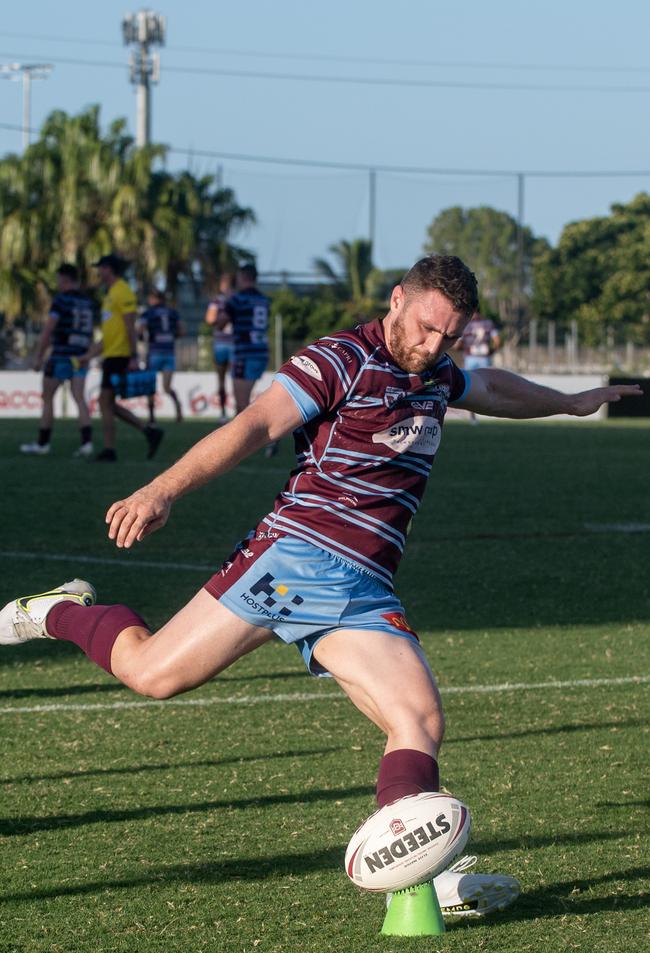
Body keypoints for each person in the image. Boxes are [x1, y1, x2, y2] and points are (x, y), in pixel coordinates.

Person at [0, 255, 641, 917]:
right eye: (425, 328)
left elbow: (492, 389)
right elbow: (255, 426)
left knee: (416, 720)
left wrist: (571, 401)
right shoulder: (341, 359)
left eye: (450, 336)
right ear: (397, 300)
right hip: (292, 561)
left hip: (365, 587)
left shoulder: (435, 371)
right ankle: (60, 613)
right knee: (151, 673)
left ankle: (420, 880)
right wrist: (161, 490)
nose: (433, 346)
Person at [79, 254, 163, 462]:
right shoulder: (110, 294)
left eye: (101, 268)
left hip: (120, 356)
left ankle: (110, 450)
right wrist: (89, 355)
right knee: (107, 403)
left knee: (105, 402)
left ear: (109, 269)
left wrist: (133, 356)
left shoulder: (122, 291)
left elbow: (129, 327)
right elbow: (109, 335)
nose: (98, 272)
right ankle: (148, 431)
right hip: (111, 355)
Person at [20, 263, 95, 458]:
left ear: (64, 279)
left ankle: (43, 443)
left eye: (58, 280)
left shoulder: (61, 300)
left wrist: (38, 356)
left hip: (61, 355)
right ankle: (87, 444)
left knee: (47, 397)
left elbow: (48, 330)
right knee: (79, 398)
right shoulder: (87, 302)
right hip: (81, 356)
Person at [215, 263, 270, 415]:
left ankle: (268, 436)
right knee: (244, 405)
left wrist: (226, 303)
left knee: (242, 405)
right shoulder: (263, 300)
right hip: (261, 353)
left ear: (242, 277)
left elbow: (220, 324)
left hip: (245, 354)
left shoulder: (237, 300)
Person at [137, 289, 186, 424]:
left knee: (150, 387)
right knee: (167, 387)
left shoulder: (148, 313)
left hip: (154, 353)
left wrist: (142, 338)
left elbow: (140, 330)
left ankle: (152, 418)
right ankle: (178, 407)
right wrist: (171, 337)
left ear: (152, 299)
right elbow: (182, 331)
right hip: (169, 353)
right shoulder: (172, 313)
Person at [459, 313, 501, 423]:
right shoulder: (488, 324)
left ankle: (473, 416)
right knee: (487, 385)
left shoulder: (466, 324)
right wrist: (491, 351)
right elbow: (497, 341)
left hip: (471, 358)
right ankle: (486, 412)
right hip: (482, 357)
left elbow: (459, 343)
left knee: (470, 386)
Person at [205, 273, 235, 420]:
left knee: (221, 379)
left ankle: (223, 413)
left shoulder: (217, 300)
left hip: (222, 343)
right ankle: (238, 412)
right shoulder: (238, 299)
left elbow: (210, 319)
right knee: (237, 381)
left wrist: (221, 318)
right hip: (235, 343)